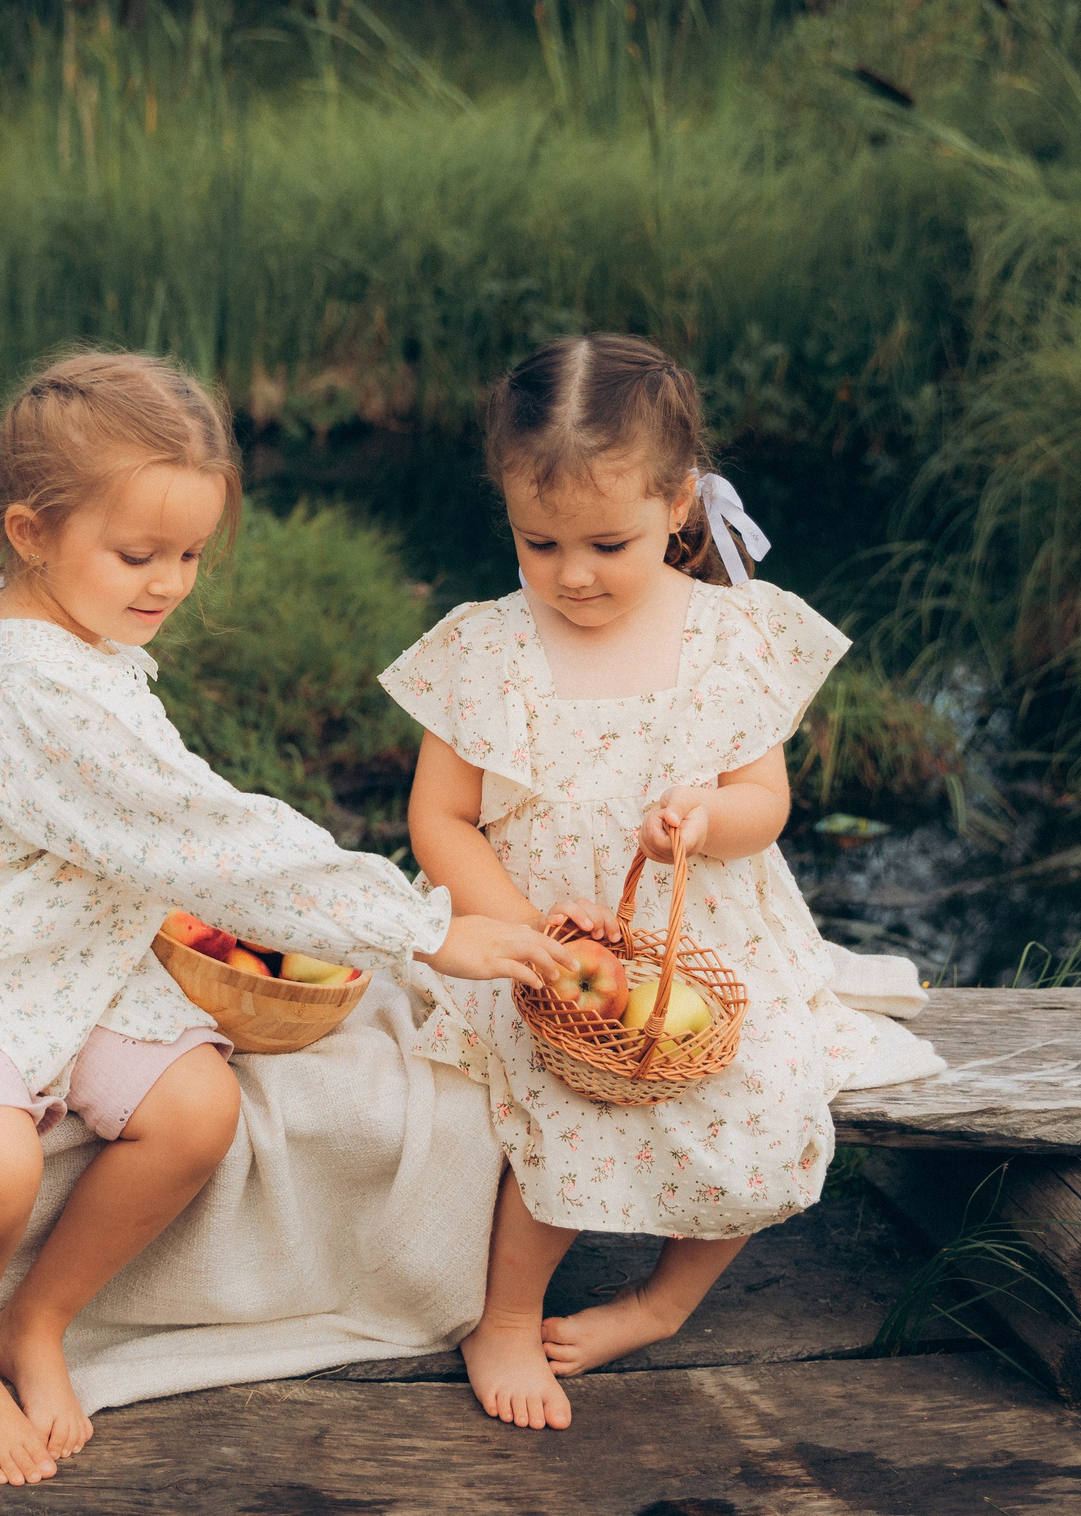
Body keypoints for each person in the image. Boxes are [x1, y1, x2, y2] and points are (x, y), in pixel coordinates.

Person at [0, 350, 570, 1485]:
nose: (169, 583)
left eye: (190, 555)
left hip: (68, 947)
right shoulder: (30, 686)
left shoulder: (71, 636)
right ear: (30, 530)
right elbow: (208, 836)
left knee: (197, 1107)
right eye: (138, 555)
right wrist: (418, 926)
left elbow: (174, 826)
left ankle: (41, 1317)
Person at [384, 333, 900, 1431]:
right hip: (538, 933)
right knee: (567, 1090)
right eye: (540, 542)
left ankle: (662, 1301)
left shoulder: (728, 636)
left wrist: (707, 820)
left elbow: (766, 803)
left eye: (607, 542)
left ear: (677, 505)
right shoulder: (486, 648)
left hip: (696, 927)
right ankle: (506, 1314)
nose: (572, 573)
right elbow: (440, 817)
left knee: (763, 1090)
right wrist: (525, 931)